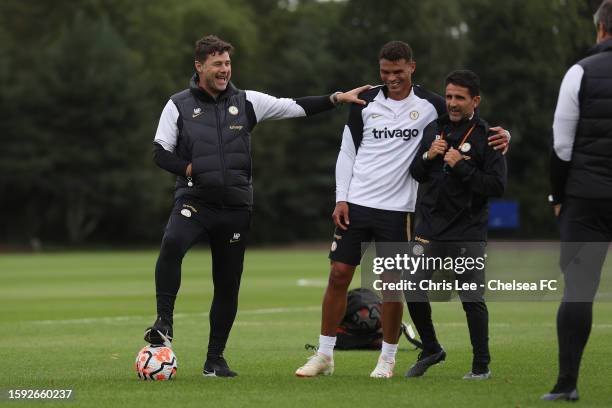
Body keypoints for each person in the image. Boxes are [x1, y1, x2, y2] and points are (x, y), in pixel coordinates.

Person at [145, 34, 370, 377]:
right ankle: (164, 321)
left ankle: (215, 360)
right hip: (195, 201)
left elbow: (293, 105)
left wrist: (336, 98)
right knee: (172, 242)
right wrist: (189, 169)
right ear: (199, 66)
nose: (224, 70)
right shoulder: (177, 104)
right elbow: (161, 152)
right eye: (217, 64)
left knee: (227, 283)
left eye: (227, 63)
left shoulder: (247, 101)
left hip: (235, 207)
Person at [295, 41, 510, 378]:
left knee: (392, 283)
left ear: (412, 67)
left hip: (400, 210)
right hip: (357, 203)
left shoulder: (431, 105)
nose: (391, 78)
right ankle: (324, 355)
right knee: (338, 275)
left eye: (398, 71)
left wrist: (504, 134)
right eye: (385, 72)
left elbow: (467, 118)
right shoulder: (364, 102)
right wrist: (341, 197)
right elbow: (347, 152)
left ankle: (388, 358)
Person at [404, 70, 506, 380]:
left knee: (472, 299)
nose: (452, 103)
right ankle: (432, 348)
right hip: (430, 229)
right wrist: (427, 155)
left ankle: (480, 367)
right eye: (448, 96)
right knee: (411, 286)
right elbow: (417, 173)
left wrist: (461, 167)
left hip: (467, 230)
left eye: (459, 97)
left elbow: (496, 186)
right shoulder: (434, 128)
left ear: (475, 100)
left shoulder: (490, 137)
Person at [543, 0, 612, 401]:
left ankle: (566, 384)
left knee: (579, 291)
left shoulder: (579, 71)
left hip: (586, 197)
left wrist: (558, 195)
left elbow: (562, 145)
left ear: (600, 29)